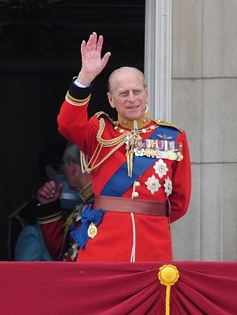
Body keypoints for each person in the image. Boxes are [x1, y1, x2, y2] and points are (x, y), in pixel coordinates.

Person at [57, 32, 191, 262]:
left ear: (146, 94)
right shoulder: (100, 132)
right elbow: (67, 124)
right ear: (111, 100)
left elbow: (180, 201)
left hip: (153, 244)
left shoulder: (173, 137)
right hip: (104, 246)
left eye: (137, 91)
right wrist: (85, 78)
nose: (131, 98)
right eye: (123, 93)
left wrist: (149, 218)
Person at [23, 142, 95, 261]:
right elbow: (64, 253)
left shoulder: (102, 203)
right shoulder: (88, 203)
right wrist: (49, 207)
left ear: (73, 169)